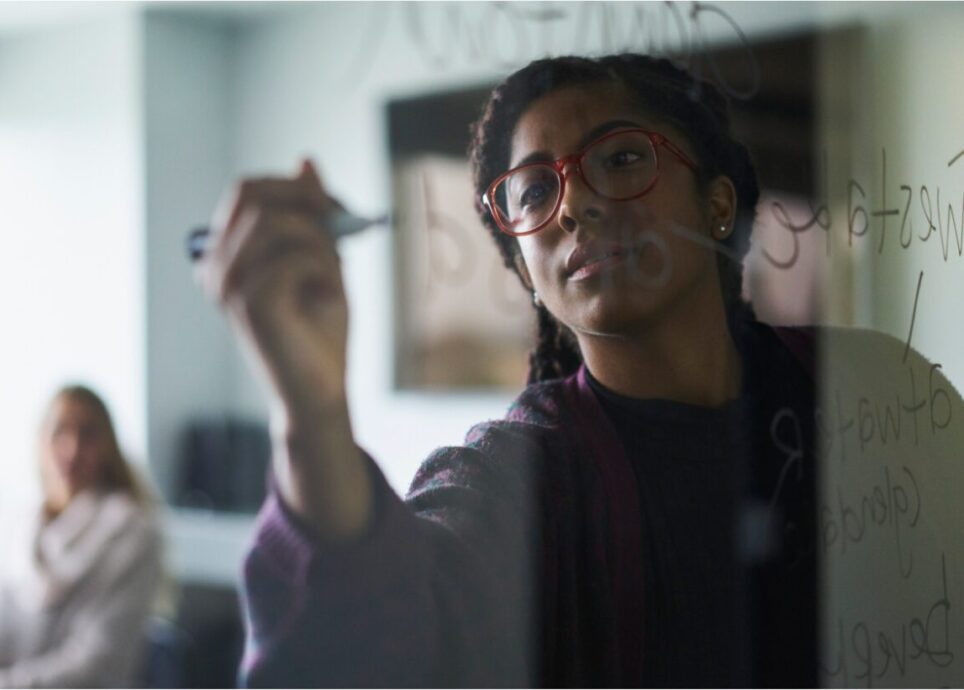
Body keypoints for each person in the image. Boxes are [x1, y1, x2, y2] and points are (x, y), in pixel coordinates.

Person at [197, 54, 818, 686]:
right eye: (536, 191)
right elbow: (375, 644)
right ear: (526, 272)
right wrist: (313, 413)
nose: (574, 203)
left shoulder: (854, 383)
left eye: (622, 158)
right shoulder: (520, 476)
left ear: (716, 203)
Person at [0, 385, 164, 688]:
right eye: (60, 432)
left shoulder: (131, 535)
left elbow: (93, 667)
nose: (73, 449)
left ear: (109, 447)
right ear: (40, 441)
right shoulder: (7, 520)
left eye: (88, 434)